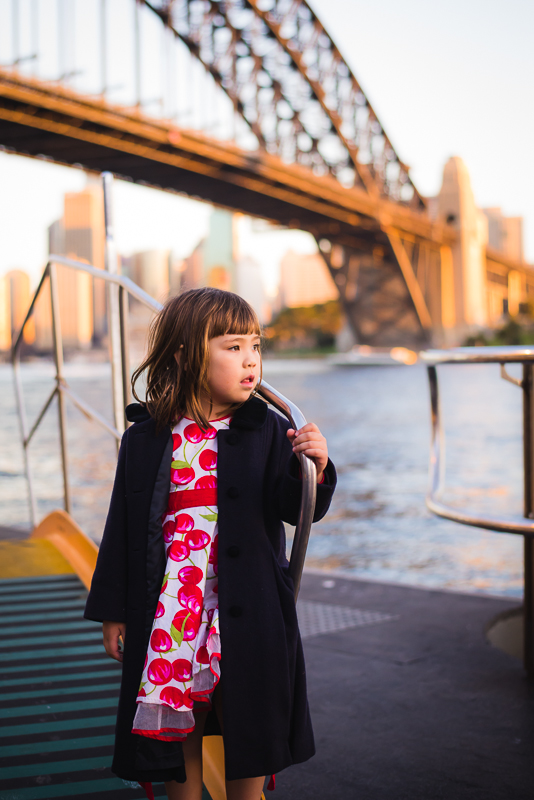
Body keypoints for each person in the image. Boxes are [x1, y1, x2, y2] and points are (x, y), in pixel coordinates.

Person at [84, 287, 337, 800]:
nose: (250, 361)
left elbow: (296, 507)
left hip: (243, 603)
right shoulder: (148, 436)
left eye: (256, 346)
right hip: (172, 608)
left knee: (247, 709)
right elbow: (123, 527)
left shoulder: (268, 429)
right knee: (183, 717)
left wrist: (316, 466)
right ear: (185, 355)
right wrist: (114, 610)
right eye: (232, 347)